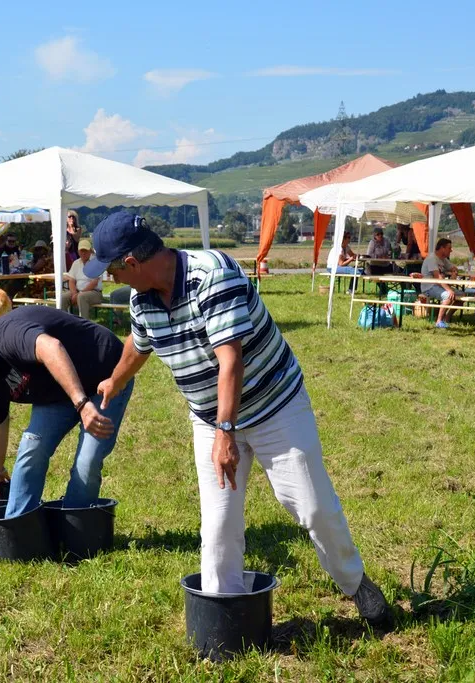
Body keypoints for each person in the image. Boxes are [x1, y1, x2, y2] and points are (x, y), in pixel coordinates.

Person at [85, 210, 392, 629]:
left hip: (274, 406)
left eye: (112, 270)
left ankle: (356, 584)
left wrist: (225, 433)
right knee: (218, 524)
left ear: (132, 263)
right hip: (211, 419)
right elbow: (138, 346)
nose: (110, 279)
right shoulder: (142, 300)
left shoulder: (212, 275)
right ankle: (224, 617)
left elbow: (231, 360)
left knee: (312, 506)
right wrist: (115, 381)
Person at [0, 308, 134, 519]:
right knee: (32, 447)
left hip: (107, 373)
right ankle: (17, 524)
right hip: (58, 390)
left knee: (88, 459)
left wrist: (82, 403)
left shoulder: (7, 336)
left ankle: (74, 525)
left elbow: (51, 347)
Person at [420, 238, 458, 328]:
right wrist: (449, 289)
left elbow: (454, 268)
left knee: (462, 295)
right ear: (442, 248)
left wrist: (454, 272)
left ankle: (447, 318)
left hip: (439, 286)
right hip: (429, 287)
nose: (451, 250)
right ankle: (439, 321)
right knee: (449, 296)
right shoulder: (432, 258)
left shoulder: (443, 259)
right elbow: (437, 277)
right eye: (449, 248)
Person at [64, 239, 104, 319]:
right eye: (81, 251)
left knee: (81, 297)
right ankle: (63, 322)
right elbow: (71, 280)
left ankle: (83, 323)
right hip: (78, 291)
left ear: (90, 251)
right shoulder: (76, 263)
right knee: (63, 297)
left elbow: (94, 283)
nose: (83, 253)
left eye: (85, 250)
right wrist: (74, 293)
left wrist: (79, 294)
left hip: (95, 292)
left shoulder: (96, 263)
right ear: (78, 252)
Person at [365, 227, 392, 295]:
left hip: (386, 265)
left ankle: (404, 287)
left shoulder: (386, 241)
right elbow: (369, 255)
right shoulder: (372, 242)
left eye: (381, 234)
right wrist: (379, 257)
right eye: (378, 234)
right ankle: (384, 289)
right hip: (375, 265)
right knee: (375, 273)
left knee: (398, 270)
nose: (380, 235)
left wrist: (388, 255)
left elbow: (390, 251)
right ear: (374, 235)